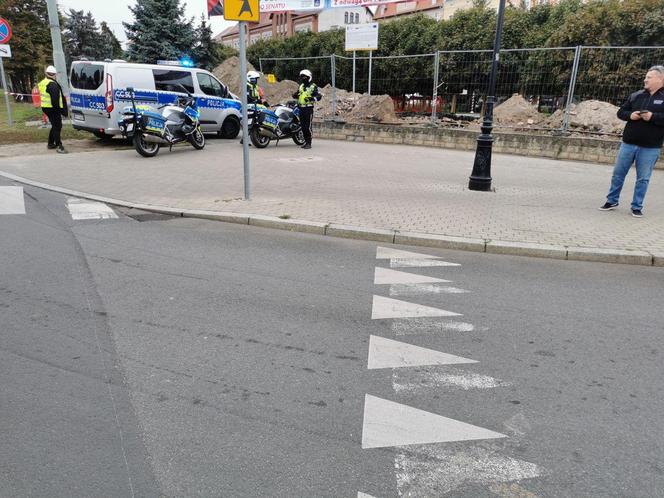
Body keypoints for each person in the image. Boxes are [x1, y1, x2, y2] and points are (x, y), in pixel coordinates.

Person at [599, 65, 664, 217]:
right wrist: (631, 115)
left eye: (649, 77)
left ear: (660, 79)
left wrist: (652, 117)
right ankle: (612, 200)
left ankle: (636, 206)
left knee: (643, 179)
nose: (645, 79)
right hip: (628, 144)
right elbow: (620, 112)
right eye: (646, 77)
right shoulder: (637, 95)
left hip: (650, 147)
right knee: (618, 174)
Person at [38, 65, 68, 154]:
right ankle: (59, 146)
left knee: (55, 125)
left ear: (46, 73)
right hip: (52, 108)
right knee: (57, 126)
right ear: (55, 74)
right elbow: (55, 100)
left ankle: (50, 143)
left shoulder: (43, 82)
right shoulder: (52, 85)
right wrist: (60, 110)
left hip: (46, 107)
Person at [292, 69, 321, 150]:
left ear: (309, 77)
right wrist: (295, 95)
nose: (303, 78)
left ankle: (309, 143)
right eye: (302, 77)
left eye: (305, 77)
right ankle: (305, 141)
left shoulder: (313, 86)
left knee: (308, 126)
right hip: (300, 108)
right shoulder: (301, 86)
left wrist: (312, 98)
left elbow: (319, 96)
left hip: (308, 109)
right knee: (303, 126)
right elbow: (298, 94)